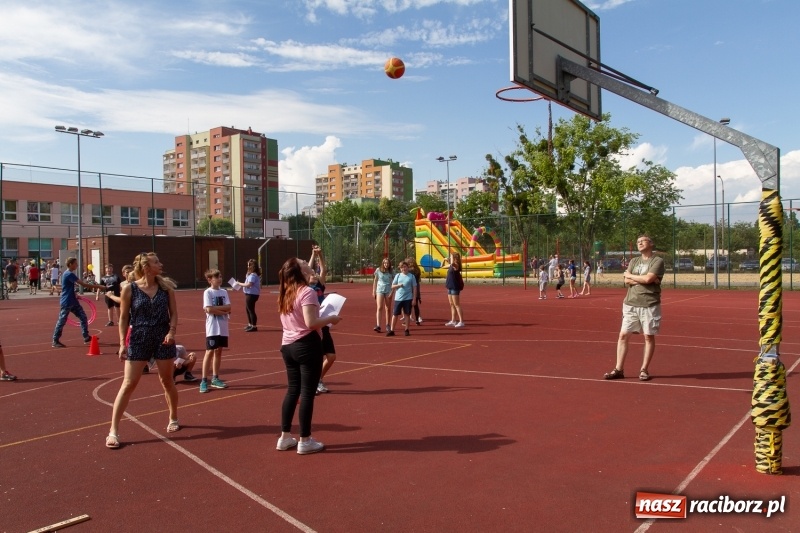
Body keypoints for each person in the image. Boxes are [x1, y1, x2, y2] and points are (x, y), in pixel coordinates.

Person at [107, 253, 179, 448]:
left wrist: (172, 332)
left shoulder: (166, 289)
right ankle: (113, 430)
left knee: (167, 381)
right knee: (128, 383)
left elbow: (173, 314)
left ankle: (173, 416)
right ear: (147, 267)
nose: (161, 264)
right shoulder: (129, 289)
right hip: (139, 337)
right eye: (157, 262)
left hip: (162, 338)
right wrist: (122, 342)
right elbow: (123, 318)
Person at [276, 257, 341, 455]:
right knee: (307, 394)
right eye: (303, 261)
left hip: (288, 345)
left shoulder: (286, 291)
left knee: (292, 391)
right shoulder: (307, 292)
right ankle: (305, 439)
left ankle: (285, 437)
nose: (306, 261)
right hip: (306, 345)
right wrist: (331, 318)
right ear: (301, 270)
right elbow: (311, 322)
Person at [603, 235, 665, 382]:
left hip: (649, 304)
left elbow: (649, 279)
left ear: (651, 243)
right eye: (637, 242)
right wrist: (640, 279)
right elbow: (626, 280)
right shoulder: (634, 261)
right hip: (630, 303)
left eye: (642, 241)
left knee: (648, 336)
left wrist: (633, 276)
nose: (639, 243)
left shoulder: (657, 261)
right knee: (623, 335)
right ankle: (619, 369)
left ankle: (644, 369)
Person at [51, 257, 108, 348]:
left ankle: (86, 336)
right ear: (70, 264)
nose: (77, 265)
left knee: (83, 317)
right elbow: (83, 284)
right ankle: (55, 340)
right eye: (75, 264)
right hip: (67, 301)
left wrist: (74, 294)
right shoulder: (69, 274)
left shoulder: (68, 274)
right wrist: (99, 287)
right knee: (62, 320)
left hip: (73, 301)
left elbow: (68, 287)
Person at [308, 246, 336, 394]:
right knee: (316, 357)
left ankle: (318, 379)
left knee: (331, 356)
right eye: (312, 274)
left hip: (323, 324)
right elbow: (307, 268)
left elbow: (323, 269)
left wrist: (320, 255)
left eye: (315, 273)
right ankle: (312, 383)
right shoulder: (305, 289)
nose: (314, 274)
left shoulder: (319, 286)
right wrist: (312, 254)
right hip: (312, 325)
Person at [199, 269, 231, 394]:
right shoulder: (208, 292)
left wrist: (215, 309)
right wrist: (223, 311)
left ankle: (215, 378)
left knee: (219, 351)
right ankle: (203, 380)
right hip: (212, 327)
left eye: (220, 276)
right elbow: (208, 309)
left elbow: (229, 307)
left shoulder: (224, 292)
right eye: (216, 277)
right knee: (209, 352)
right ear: (209, 280)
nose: (219, 279)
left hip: (223, 327)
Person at [387, 261, 418, 337]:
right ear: (400, 269)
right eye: (402, 267)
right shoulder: (398, 276)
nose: (403, 268)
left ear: (407, 267)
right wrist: (398, 285)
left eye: (405, 267)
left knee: (407, 314)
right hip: (398, 298)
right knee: (395, 314)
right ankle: (392, 330)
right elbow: (392, 286)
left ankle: (406, 329)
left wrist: (414, 299)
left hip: (408, 298)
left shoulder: (411, 276)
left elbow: (414, 288)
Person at [234, 259, 261, 332]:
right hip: (249, 294)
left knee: (251, 310)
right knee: (248, 309)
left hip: (252, 294)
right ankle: (250, 324)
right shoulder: (250, 274)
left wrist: (239, 283)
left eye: (249, 265)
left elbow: (249, 285)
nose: (248, 266)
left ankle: (254, 326)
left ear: (253, 266)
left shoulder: (253, 275)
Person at [442, 252, 465, 327]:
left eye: (451, 256)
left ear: (454, 258)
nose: (449, 257)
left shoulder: (456, 265)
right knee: (451, 304)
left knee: (457, 304)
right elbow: (442, 267)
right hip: (450, 286)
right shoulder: (451, 265)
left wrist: (450, 260)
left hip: (455, 287)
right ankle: (453, 320)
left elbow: (453, 264)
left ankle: (461, 321)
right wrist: (444, 260)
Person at [372, 257, 393, 333]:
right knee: (379, 307)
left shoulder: (391, 271)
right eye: (385, 263)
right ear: (382, 263)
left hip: (388, 290)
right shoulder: (378, 270)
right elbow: (375, 280)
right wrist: (374, 291)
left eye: (387, 263)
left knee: (388, 308)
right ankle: (378, 325)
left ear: (389, 264)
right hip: (380, 290)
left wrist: (392, 291)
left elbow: (394, 282)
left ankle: (388, 324)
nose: (386, 264)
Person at [406, 256, 423, 325]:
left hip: (411, 288)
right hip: (417, 287)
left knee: (408, 305)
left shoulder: (410, 271)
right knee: (416, 305)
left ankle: (407, 320)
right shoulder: (417, 269)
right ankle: (417, 320)